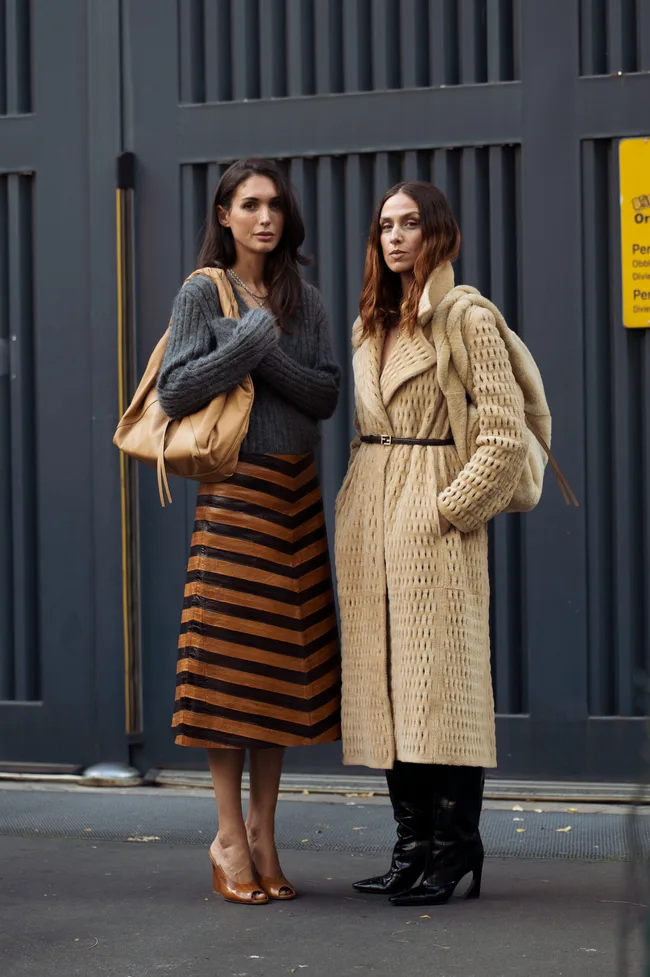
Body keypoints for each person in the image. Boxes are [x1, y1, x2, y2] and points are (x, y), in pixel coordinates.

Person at [334, 182, 529, 907]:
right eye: (384, 224)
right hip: (371, 517)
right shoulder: (368, 323)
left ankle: (454, 849)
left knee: (441, 688)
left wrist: (449, 511)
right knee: (389, 688)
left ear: (436, 231)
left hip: (432, 514)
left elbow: (504, 435)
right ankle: (410, 847)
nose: (394, 236)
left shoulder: (465, 316)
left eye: (409, 223)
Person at [157, 158, 341, 905]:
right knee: (227, 675)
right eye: (249, 204)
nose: (264, 217)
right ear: (225, 216)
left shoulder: (310, 301)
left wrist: (258, 345)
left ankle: (266, 831)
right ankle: (229, 834)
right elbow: (175, 386)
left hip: (295, 500)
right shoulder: (202, 291)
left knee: (277, 677)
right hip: (233, 497)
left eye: (273, 205)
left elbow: (325, 394)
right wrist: (252, 338)